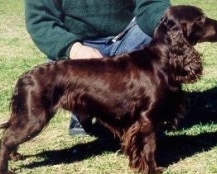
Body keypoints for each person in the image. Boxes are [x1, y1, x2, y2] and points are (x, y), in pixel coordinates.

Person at [24, 0, 171, 136]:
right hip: (76, 44)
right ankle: (81, 110)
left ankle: (141, 110)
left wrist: (166, 23)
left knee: (154, 37)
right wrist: (74, 50)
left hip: (124, 38)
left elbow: (152, 3)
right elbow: (41, 21)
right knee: (57, 65)